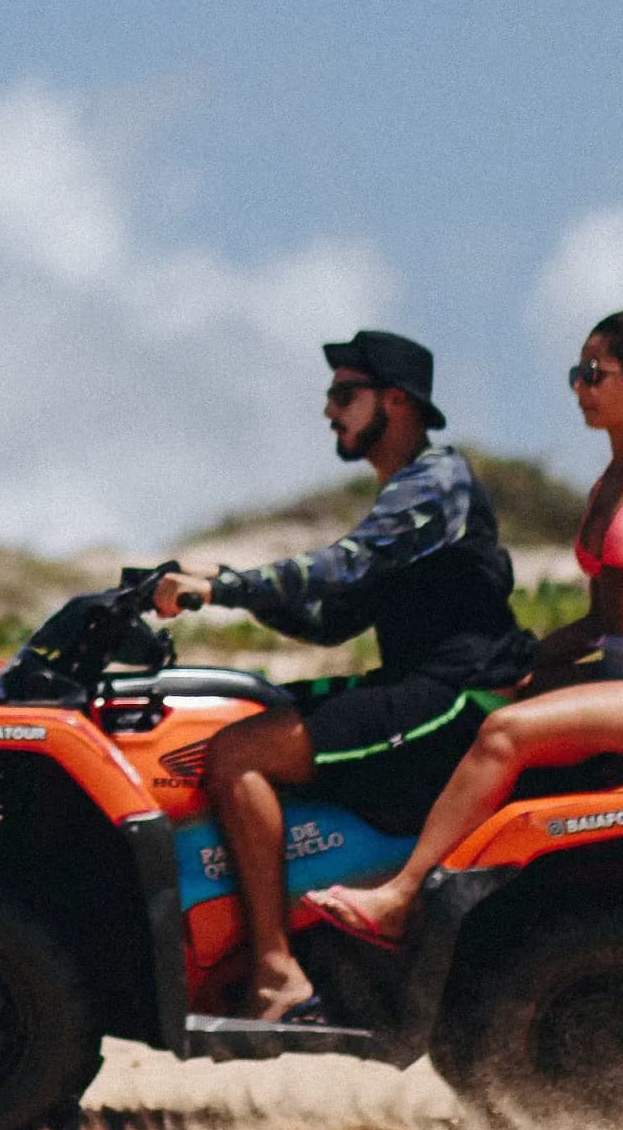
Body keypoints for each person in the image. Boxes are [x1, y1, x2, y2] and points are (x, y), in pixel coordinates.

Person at [309, 311, 623, 948]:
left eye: (594, 374)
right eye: (577, 374)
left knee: (504, 733)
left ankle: (402, 897)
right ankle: (463, 884)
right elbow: (603, 622)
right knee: (485, 702)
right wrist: (525, 661)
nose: (580, 388)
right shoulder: (608, 484)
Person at [146, 330, 530, 1022]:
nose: (329, 410)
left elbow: (345, 563)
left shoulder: (436, 479)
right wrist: (235, 594)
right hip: (420, 682)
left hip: (454, 693)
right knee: (231, 720)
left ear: (395, 401)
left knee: (238, 754)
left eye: (342, 395)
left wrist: (226, 586)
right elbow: (332, 620)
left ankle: (276, 973)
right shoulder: (403, 493)